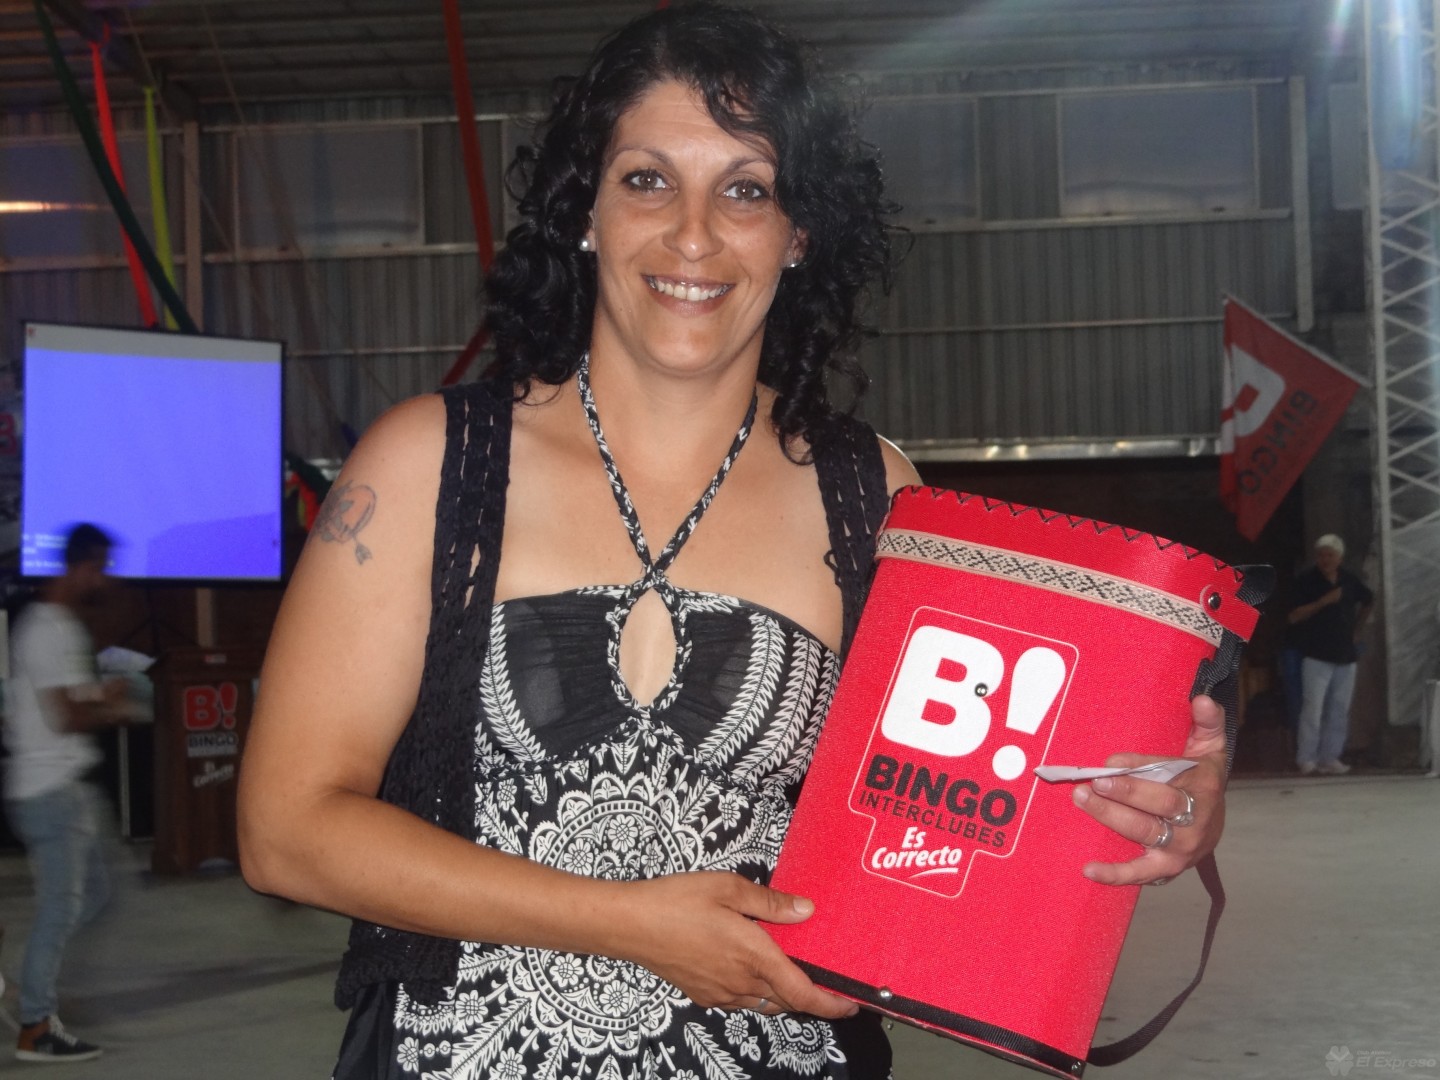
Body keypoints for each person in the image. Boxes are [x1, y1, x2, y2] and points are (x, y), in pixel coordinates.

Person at [237, 6, 1231, 1078]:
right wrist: (626, 923)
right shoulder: (430, 464)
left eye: (747, 190)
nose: (694, 234)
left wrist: (1145, 808)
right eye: (647, 180)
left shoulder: (876, 499)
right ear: (586, 210)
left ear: (800, 233)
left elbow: (971, 814)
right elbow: (286, 830)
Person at [2, 523, 126, 1063]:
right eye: (99, 568)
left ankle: (28, 981)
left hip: (65, 786)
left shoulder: (60, 626)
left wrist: (101, 694)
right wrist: (110, 707)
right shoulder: (45, 629)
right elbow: (66, 717)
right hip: (49, 789)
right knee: (61, 908)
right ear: (78, 567)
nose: (105, 580)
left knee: (95, 895)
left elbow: (70, 699)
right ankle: (35, 1025)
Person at [1287, 534, 1373, 775]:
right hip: (1316, 654)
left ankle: (1330, 756)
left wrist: (1358, 630)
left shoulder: (1349, 579)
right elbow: (1293, 616)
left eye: (1330, 555)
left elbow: (1368, 600)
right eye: (1322, 555)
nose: (1325, 560)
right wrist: (1324, 602)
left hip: (1345, 654)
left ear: (1340, 558)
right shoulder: (1307, 581)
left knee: (1339, 709)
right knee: (1313, 709)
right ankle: (1307, 758)